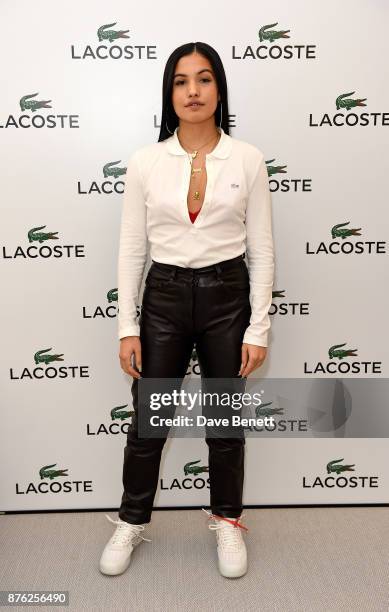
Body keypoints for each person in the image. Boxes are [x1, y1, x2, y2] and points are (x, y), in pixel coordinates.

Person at [99, 41, 275, 579]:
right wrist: (128, 324)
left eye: (203, 79)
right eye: (181, 81)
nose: (192, 91)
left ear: (219, 88)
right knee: (150, 422)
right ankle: (132, 521)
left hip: (227, 295)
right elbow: (133, 247)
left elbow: (262, 248)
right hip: (165, 298)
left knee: (224, 423)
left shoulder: (247, 158)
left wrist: (258, 325)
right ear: (169, 92)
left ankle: (228, 519)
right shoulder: (146, 161)